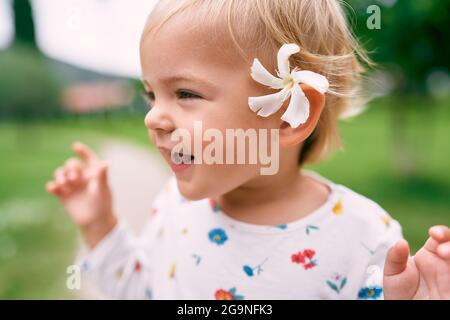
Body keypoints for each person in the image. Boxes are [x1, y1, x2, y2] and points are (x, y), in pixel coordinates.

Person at [46, 0, 450, 299]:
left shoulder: (364, 240)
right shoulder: (174, 207)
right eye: (152, 95)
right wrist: (98, 225)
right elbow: (141, 290)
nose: (153, 118)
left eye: (185, 92)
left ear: (290, 116)